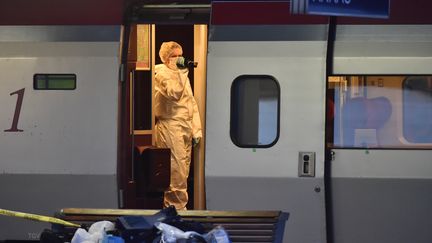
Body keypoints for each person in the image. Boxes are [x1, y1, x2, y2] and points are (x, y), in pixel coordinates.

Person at [154, 41, 202, 210]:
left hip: (185, 126)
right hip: (170, 125)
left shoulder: (181, 75)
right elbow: (174, 93)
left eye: (180, 55)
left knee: (184, 171)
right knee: (176, 172)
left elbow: (191, 102)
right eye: (174, 56)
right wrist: (182, 73)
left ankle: (179, 208)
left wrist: (196, 130)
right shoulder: (160, 73)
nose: (179, 59)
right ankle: (176, 211)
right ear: (166, 58)